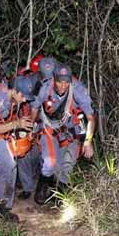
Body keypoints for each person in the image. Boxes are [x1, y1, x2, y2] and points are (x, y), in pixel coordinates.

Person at [31, 63, 95, 205]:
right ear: (54, 79)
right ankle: (42, 187)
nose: (63, 86)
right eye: (60, 82)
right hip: (49, 129)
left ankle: (59, 194)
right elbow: (34, 108)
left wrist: (88, 141)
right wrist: (32, 126)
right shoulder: (44, 88)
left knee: (67, 165)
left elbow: (91, 118)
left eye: (66, 82)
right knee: (50, 163)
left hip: (71, 131)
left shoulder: (78, 89)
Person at [0, 76, 35, 222]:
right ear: (14, 90)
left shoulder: (10, 99)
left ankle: (3, 208)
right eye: (22, 96)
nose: (24, 100)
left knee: (9, 165)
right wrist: (16, 124)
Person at [13, 57, 58, 200]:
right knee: (23, 154)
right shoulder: (22, 82)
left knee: (45, 157)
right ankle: (27, 187)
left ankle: (44, 186)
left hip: (41, 124)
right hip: (24, 122)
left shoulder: (48, 86)